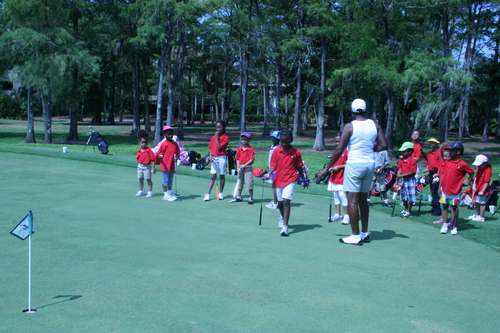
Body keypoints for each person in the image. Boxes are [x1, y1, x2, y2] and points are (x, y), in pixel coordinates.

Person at [315, 98, 388, 245]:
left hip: (355, 165)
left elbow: (339, 149)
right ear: (365, 109)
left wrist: (326, 168)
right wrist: (372, 148)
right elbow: (384, 145)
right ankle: (364, 233)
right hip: (369, 165)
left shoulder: (349, 126)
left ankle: (355, 236)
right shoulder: (374, 124)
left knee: (352, 201)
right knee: (363, 201)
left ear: (352, 110)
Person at [262, 129, 308, 237]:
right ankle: (283, 217)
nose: (283, 144)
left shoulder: (296, 152)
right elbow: (273, 165)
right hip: (279, 179)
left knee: (286, 201)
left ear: (291, 140)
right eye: (282, 142)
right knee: (280, 203)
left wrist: (303, 179)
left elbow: (299, 167)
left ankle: (285, 226)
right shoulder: (277, 151)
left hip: (291, 179)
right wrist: (268, 174)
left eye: (286, 141)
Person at [438, 142, 475, 235]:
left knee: (454, 208)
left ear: (458, 152)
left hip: (455, 190)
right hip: (444, 189)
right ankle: (445, 225)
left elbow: (471, 172)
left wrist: (468, 182)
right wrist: (440, 187)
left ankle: (454, 226)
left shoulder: (462, 164)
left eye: (452, 150)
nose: (449, 152)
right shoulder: (447, 162)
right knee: (444, 206)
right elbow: (442, 175)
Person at [327, 133, 349, 224]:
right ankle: (338, 214)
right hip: (334, 176)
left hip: (343, 176)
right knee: (336, 194)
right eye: (335, 142)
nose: (337, 143)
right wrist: (331, 168)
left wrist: (339, 167)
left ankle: (347, 216)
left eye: (339, 141)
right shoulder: (336, 151)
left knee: (342, 195)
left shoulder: (348, 151)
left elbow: (349, 164)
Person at [204, 120, 229, 201]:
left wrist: (216, 138)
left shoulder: (225, 137)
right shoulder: (213, 137)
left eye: (220, 127)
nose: (218, 129)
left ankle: (221, 193)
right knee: (213, 176)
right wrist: (210, 156)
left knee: (222, 175)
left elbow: (219, 147)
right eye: (217, 127)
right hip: (214, 158)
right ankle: (207, 194)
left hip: (222, 157)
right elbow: (211, 148)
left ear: (224, 128)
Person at [464, 154, 492, 222]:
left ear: (485, 163)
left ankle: (481, 217)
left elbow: (486, 182)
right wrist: (474, 186)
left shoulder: (488, 170)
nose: (478, 166)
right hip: (477, 189)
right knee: (477, 202)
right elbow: (476, 178)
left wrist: (482, 191)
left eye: (480, 165)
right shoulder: (480, 169)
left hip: (483, 190)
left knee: (482, 203)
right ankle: (477, 215)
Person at [156, 126, 180, 201]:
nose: (170, 135)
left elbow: (178, 153)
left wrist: (177, 157)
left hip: (172, 165)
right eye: (168, 134)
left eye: (171, 134)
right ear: (164, 135)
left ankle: (169, 192)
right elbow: (159, 153)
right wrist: (160, 155)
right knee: (165, 180)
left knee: (170, 179)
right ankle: (165, 194)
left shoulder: (175, 144)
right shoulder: (164, 144)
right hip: (165, 165)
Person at [230, 132, 255, 204]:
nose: (243, 141)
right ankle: (238, 196)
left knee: (249, 182)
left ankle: (251, 197)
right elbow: (237, 158)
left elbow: (252, 159)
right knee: (239, 182)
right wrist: (238, 167)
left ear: (249, 140)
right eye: (242, 139)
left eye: (245, 140)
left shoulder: (251, 149)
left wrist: (244, 165)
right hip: (240, 168)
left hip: (248, 168)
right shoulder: (239, 149)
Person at [367, 140, 391, 208]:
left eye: (375, 142)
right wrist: (373, 169)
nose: (374, 143)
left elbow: (387, 162)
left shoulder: (384, 152)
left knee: (382, 186)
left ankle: (386, 201)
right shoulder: (371, 151)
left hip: (380, 171)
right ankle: (367, 200)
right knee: (370, 186)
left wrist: (381, 168)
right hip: (372, 171)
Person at [396, 142, 417, 217]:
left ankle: (408, 211)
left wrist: (401, 175)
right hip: (404, 180)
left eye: (404, 151)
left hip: (410, 180)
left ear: (409, 152)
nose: (402, 153)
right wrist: (398, 177)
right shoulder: (401, 160)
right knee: (403, 195)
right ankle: (405, 209)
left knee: (410, 196)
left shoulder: (412, 160)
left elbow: (412, 172)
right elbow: (399, 168)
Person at [425, 138, 443, 216]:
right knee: (432, 190)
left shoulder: (440, 153)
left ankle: (437, 209)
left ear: (437, 144)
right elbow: (428, 163)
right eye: (430, 143)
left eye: (433, 143)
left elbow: (440, 164)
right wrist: (426, 168)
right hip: (431, 172)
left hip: (436, 172)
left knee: (435, 191)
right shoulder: (429, 153)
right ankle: (433, 207)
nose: (431, 144)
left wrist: (438, 174)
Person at [135, 130, 156, 198]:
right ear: (139, 143)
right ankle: (140, 190)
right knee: (140, 178)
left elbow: (152, 159)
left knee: (148, 179)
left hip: (147, 167)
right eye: (142, 143)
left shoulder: (149, 150)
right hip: (140, 166)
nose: (144, 144)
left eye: (145, 143)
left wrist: (153, 167)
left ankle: (150, 192)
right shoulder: (139, 150)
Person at [265, 131, 281, 209]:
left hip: (275, 170)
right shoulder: (272, 146)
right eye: (272, 138)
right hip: (271, 168)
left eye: (275, 138)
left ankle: (275, 203)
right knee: (274, 186)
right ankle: (276, 202)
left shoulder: (278, 148)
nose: (273, 139)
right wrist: (269, 164)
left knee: (275, 187)